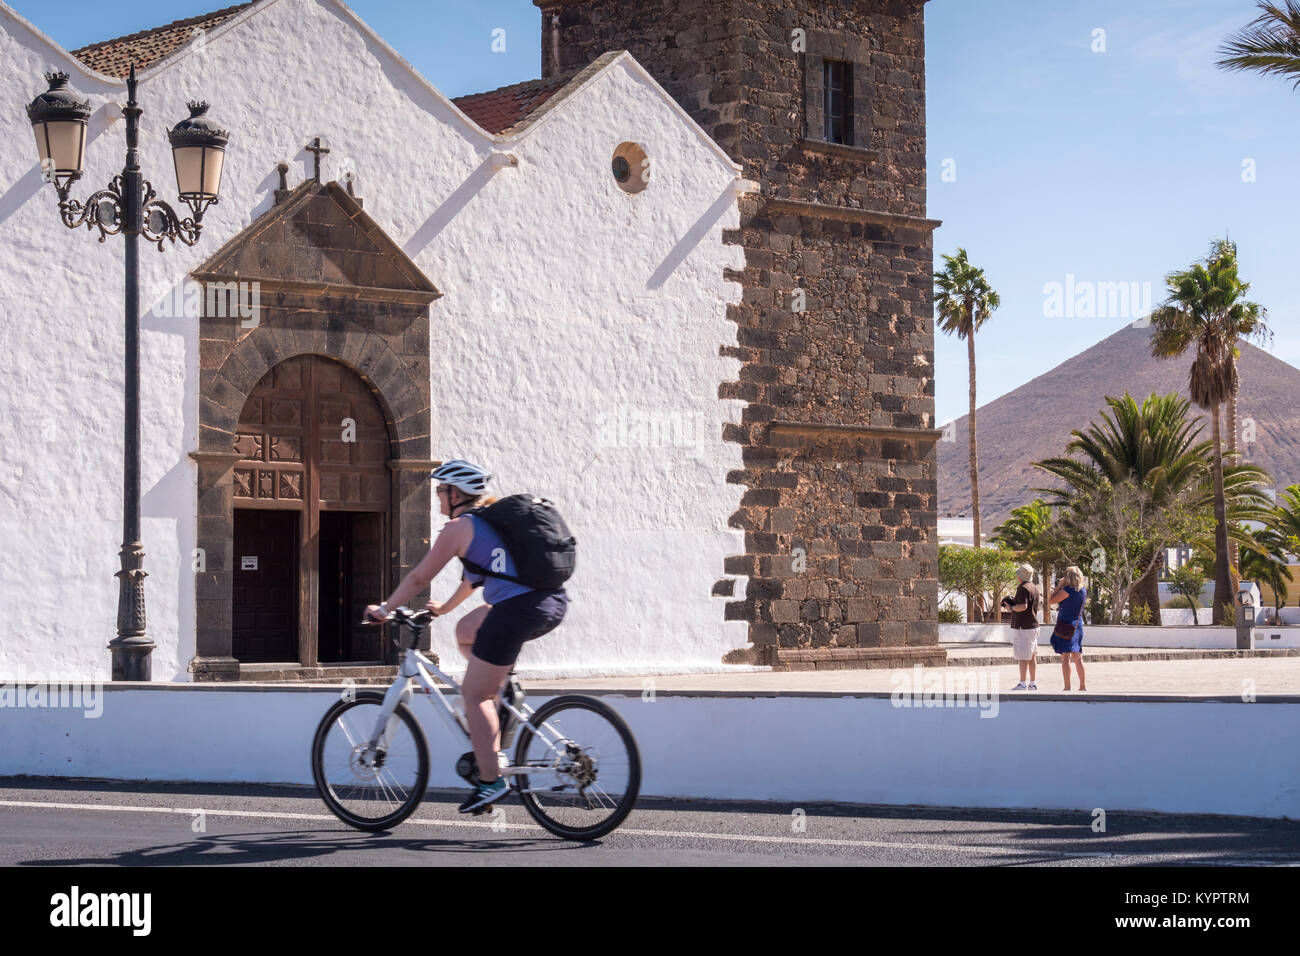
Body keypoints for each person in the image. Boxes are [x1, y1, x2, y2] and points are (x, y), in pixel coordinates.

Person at [364, 459, 568, 813]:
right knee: (465, 630)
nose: (438, 498)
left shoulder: (458, 528)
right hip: (550, 602)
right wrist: (443, 610)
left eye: (440, 491)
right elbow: (472, 580)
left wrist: (385, 609)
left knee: (474, 696)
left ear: (455, 493)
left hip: (516, 612)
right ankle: (501, 697)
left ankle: (490, 782)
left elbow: (416, 578)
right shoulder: (489, 525)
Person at [1048, 565, 1087, 691]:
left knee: (1065, 657)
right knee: (1078, 656)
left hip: (1066, 624)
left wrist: (1059, 586)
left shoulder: (1066, 591)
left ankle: (1067, 687)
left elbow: (1051, 600)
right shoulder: (1083, 591)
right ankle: (1082, 686)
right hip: (1077, 625)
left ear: (1068, 577)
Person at [1002, 563, 1040, 690]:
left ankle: (1022, 683)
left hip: (1024, 627)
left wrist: (1010, 607)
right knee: (1032, 656)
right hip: (1033, 625)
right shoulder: (1034, 587)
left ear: (1021, 576)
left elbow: (1023, 606)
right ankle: (1033, 683)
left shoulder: (1023, 588)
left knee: (1023, 656)